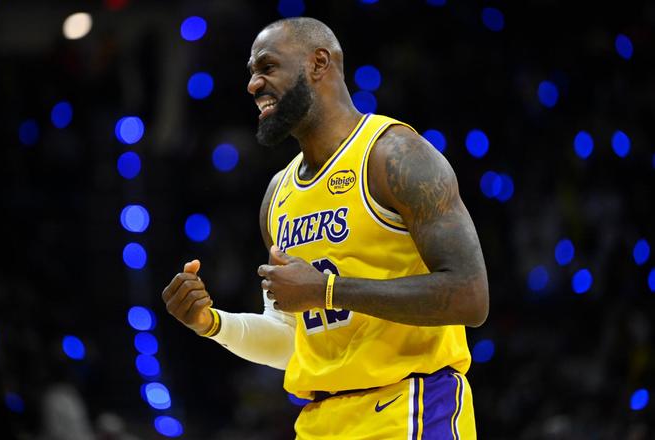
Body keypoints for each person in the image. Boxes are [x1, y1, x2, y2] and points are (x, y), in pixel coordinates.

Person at [162, 17, 489, 439]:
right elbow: (291, 339)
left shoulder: (395, 155)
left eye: (267, 67)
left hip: (410, 407)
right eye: (251, 73)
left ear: (319, 63)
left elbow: (470, 296)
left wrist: (327, 291)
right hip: (320, 420)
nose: (253, 84)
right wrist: (211, 323)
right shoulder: (278, 194)